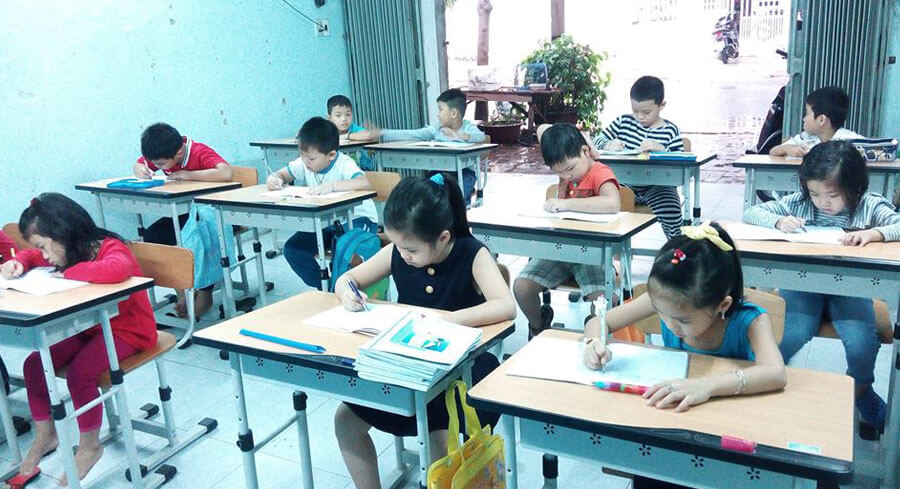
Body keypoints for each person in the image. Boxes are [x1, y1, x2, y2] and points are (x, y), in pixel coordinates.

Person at [332, 174, 516, 489]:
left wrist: (449, 321)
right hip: (406, 367)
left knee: (438, 438)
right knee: (345, 421)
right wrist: (347, 292)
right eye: (398, 246)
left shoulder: (471, 253)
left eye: (411, 250)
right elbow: (348, 279)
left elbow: (505, 306)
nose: (403, 255)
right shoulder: (398, 251)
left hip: (462, 372)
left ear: (443, 238)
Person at [583, 222, 786, 489]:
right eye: (661, 313)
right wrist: (593, 342)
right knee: (652, 470)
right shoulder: (667, 298)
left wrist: (706, 386)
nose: (669, 325)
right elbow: (600, 321)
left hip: (729, 426)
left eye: (682, 320)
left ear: (722, 305)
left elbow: (775, 373)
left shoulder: (751, 321)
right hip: (674, 418)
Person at [1, 193, 156, 486]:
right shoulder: (66, 250)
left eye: (43, 246)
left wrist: (69, 272)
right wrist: (19, 262)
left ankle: (90, 446)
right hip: (90, 327)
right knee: (35, 365)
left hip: (130, 330)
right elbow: (31, 257)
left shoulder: (108, 247)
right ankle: (46, 435)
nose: (44, 256)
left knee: (80, 373)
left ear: (63, 233)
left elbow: (117, 268)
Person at [744, 140, 900, 432]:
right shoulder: (801, 203)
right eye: (815, 193)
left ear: (854, 187)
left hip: (850, 288)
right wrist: (779, 222)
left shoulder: (869, 204)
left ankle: (861, 394)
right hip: (803, 285)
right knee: (788, 336)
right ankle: (766, 383)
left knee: (862, 344)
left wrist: (876, 233)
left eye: (833, 195)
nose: (822, 202)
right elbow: (752, 213)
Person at [514, 124, 620, 337]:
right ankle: (539, 325)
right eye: (559, 172)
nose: (566, 176)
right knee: (522, 287)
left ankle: (594, 330)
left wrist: (566, 204)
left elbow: (612, 203)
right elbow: (543, 129)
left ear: (585, 151)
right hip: (559, 251)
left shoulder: (599, 172)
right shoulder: (567, 170)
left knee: (606, 299)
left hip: (592, 254)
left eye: (570, 169)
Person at [132, 122, 232, 317]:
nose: (158, 167)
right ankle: (182, 292)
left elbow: (226, 172)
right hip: (184, 212)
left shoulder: (199, 151)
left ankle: (205, 292)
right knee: (153, 237)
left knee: (197, 239)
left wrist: (188, 175)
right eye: (155, 164)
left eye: (161, 165)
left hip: (212, 214)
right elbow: (140, 163)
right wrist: (140, 170)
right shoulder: (163, 152)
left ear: (178, 153)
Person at [266, 117, 377, 288]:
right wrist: (275, 178)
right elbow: (282, 174)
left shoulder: (344, 164)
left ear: (331, 155)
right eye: (302, 156)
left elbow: (363, 182)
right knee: (294, 250)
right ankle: (327, 288)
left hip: (359, 219)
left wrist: (331, 187)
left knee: (344, 248)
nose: (306, 162)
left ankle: (344, 287)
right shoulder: (305, 162)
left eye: (311, 159)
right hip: (327, 222)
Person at [591, 75, 685, 239]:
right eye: (635, 111)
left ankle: (676, 245)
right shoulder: (623, 122)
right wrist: (608, 144)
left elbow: (680, 159)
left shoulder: (669, 130)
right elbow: (597, 140)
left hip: (657, 187)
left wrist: (662, 149)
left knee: (672, 211)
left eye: (646, 112)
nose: (640, 117)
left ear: (661, 106)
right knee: (601, 203)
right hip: (624, 185)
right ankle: (611, 245)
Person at [363, 88, 485, 203]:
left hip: (464, 173)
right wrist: (382, 133)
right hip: (439, 172)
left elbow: (481, 137)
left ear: (453, 113)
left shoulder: (468, 128)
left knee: (455, 199)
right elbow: (412, 134)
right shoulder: (437, 129)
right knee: (425, 193)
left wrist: (461, 136)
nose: (438, 114)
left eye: (440, 109)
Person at [769, 86, 862, 157]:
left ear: (821, 120)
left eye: (807, 113)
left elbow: (870, 150)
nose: (804, 119)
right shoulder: (806, 138)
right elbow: (773, 151)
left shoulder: (850, 140)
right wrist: (787, 148)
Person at [328, 94, 375, 170]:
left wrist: (345, 136)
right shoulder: (328, 132)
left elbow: (369, 135)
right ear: (329, 118)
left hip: (363, 171)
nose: (344, 119)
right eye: (338, 115)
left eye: (348, 114)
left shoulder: (354, 129)